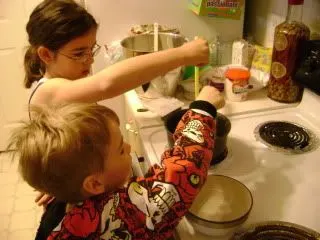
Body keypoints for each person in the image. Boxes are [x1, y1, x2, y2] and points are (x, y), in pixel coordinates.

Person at [24, 0, 209, 206]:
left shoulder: (70, 83)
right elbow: (106, 84)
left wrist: (57, 180)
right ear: (46, 55)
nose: (89, 60)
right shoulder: (48, 92)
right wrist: (183, 54)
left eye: (91, 49)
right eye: (79, 53)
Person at [7, 86, 224, 239]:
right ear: (94, 184)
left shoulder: (62, 204)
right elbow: (182, 174)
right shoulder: (119, 213)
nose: (129, 148)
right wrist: (202, 109)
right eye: (121, 149)